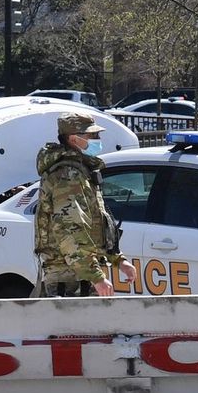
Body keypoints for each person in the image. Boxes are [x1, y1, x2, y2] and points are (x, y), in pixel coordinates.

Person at [33, 113, 132, 297]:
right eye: (92, 136)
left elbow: (95, 225)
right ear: (73, 139)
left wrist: (118, 260)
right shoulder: (69, 175)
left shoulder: (80, 170)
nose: (98, 140)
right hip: (69, 279)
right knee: (72, 326)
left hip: (78, 274)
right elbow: (70, 231)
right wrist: (96, 276)